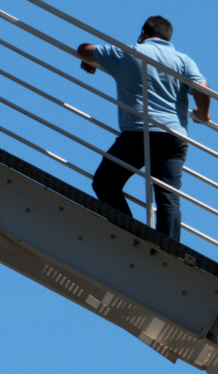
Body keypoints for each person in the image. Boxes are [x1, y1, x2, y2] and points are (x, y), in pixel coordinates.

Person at [76, 15, 210, 242]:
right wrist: (203, 114)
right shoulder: (183, 60)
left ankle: (131, 234)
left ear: (143, 34)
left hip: (137, 133)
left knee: (105, 183)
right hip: (173, 136)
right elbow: (203, 88)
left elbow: (83, 49)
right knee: (168, 197)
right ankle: (168, 251)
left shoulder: (128, 52)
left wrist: (92, 62)